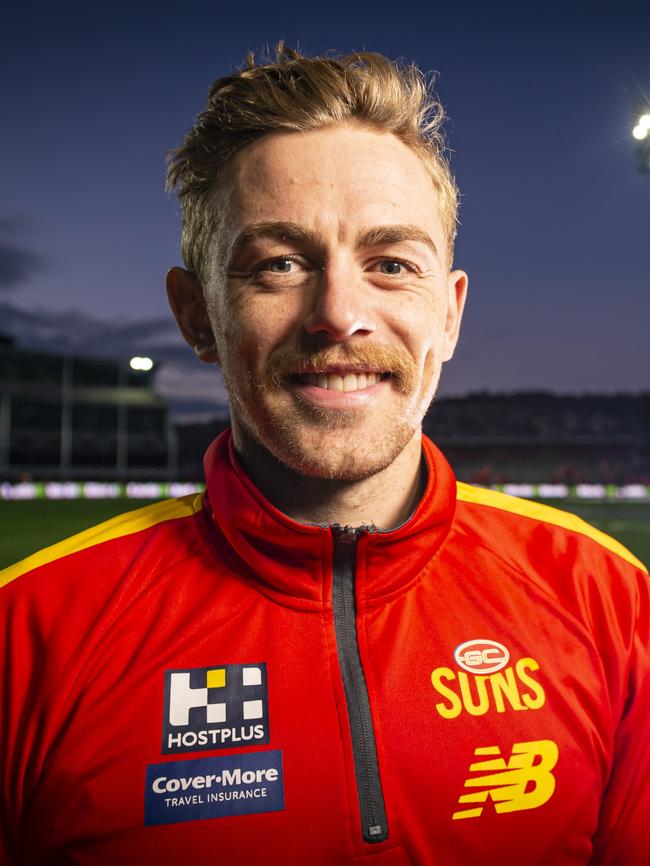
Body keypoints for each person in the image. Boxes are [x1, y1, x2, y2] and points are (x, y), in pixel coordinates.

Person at [0, 45, 648, 866]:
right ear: (197, 315)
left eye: (391, 264)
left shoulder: (612, 603)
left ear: (448, 316)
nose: (340, 314)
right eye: (279, 263)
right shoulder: (25, 635)